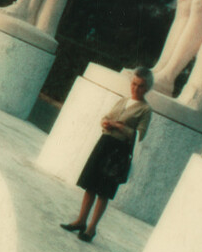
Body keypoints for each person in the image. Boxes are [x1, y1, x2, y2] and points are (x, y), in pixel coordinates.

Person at [61, 68, 153, 242]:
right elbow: (107, 117)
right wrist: (106, 123)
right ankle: (81, 220)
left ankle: (91, 228)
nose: (135, 88)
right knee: (90, 184)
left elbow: (140, 135)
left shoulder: (145, 110)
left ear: (146, 88)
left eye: (140, 86)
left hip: (118, 151)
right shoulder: (123, 101)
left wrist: (120, 127)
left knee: (104, 190)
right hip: (104, 144)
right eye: (133, 84)